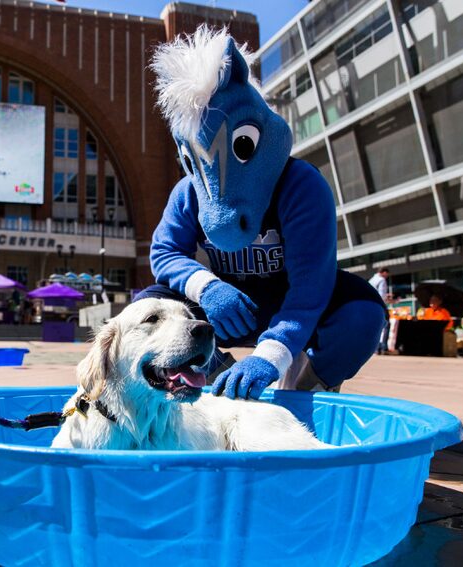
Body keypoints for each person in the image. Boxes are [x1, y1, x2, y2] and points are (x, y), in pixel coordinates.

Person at [138, 28, 386, 399]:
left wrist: (271, 354)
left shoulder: (300, 186)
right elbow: (164, 253)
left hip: (292, 305)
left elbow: (311, 284)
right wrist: (207, 289)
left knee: (363, 314)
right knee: (147, 308)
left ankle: (304, 389)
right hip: (225, 308)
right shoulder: (189, 191)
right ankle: (211, 377)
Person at [368, 268, 391, 354]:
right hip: (379, 305)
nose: (387, 276)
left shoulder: (372, 280)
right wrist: (388, 298)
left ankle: (374, 348)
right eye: (387, 274)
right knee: (386, 325)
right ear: (384, 272)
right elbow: (382, 296)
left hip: (371, 305)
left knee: (375, 326)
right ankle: (383, 347)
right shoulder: (382, 280)